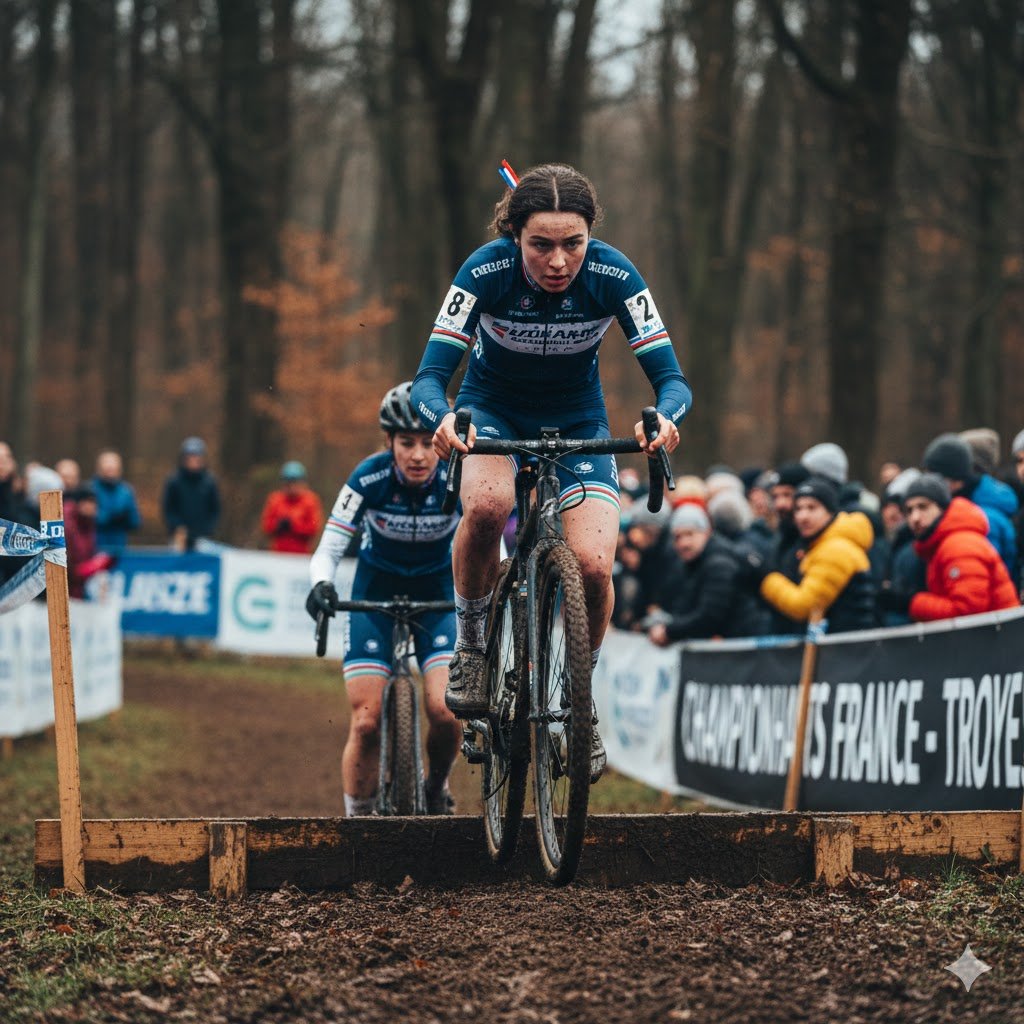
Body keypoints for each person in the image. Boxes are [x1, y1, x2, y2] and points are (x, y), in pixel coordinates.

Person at [411, 162, 690, 784]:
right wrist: (444, 418)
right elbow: (431, 378)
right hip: (491, 408)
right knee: (485, 505)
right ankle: (474, 645)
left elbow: (671, 381)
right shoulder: (484, 271)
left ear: (591, 237)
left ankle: (579, 699)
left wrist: (662, 420)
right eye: (541, 245)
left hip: (579, 417)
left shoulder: (615, 273)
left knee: (593, 565)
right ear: (515, 237)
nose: (559, 260)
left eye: (573, 243)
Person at [305, 383, 462, 817]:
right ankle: (359, 822)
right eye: (405, 443)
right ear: (388, 443)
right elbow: (330, 547)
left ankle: (436, 785)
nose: (417, 454)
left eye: (427, 442)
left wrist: (498, 579)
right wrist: (321, 584)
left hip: (438, 597)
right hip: (374, 597)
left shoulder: (458, 475)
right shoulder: (367, 478)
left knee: (447, 712)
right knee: (366, 722)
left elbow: (488, 544)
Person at [757, 476, 877, 634]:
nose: (803, 516)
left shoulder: (835, 550)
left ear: (830, 512)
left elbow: (804, 607)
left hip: (845, 651)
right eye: (798, 509)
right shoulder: (819, 545)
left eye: (812, 508)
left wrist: (767, 580)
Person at [892, 474, 1019, 622]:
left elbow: (967, 614)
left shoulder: (959, 545)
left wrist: (911, 602)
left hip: (999, 641)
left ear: (942, 509)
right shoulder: (942, 544)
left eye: (923, 507)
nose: (915, 518)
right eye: (909, 510)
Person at [647, 504, 760, 644]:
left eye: (690, 534)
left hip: (739, 647)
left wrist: (669, 631)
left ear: (706, 532)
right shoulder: (689, 564)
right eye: (677, 537)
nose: (684, 543)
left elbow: (709, 616)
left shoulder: (720, 564)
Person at [923, 432, 1018, 577]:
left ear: (953, 479)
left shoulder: (984, 519)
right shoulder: (965, 506)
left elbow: (978, 579)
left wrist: (919, 599)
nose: (929, 485)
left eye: (934, 478)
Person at [162, 437, 221, 550]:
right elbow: (168, 508)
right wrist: (177, 527)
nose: (193, 461)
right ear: (183, 459)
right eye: (190, 457)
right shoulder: (174, 481)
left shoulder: (210, 481)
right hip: (179, 537)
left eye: (196, 457)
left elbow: (215, 509)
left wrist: (207, 530)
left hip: (203, 537)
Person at [260, 461, 324, 554]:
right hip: (278, 553)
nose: (291, 487)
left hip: (301, 555)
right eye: (288, 483)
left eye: (295, 482)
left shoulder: (310, 500)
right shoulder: (275, 499)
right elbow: (266, 525)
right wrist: (278, 526)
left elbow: (314, 528)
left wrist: (294, 526)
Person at [92, 449, 141, 557]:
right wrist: (110, 517)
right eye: (108, 469)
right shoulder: (90, 490)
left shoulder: (126, 491)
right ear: (99, 469)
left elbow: (135, 521)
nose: (111, 472)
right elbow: (88, 518)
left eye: (114, 469)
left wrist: (126, 518)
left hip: (120, 547)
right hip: (95, 548)